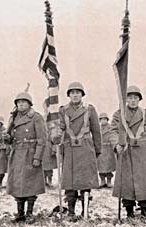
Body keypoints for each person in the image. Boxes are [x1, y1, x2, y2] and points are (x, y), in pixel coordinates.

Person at [111, 85, 146, 218]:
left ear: (139, 99)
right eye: (130, 97)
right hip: (126, 152)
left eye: (135, 98)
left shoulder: (145, 113)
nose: (132, 100)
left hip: (142, 153)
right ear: (125, 99)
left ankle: (145, 210)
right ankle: (129, 212)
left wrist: (145, 145)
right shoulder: (119, 114)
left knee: (145, 183)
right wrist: (117, 144)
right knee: (127, 185)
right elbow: (113, 131)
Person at [56, 82, 102, 221]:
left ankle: (85, 211)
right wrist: (56, 135)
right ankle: (70, 211)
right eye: (72, 93)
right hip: (69, 148)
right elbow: (60, 128)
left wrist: (97, 149)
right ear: (69, 95)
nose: (75, 95)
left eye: (78, 92)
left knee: (85, 181)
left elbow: (96, 130)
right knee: (69, 181)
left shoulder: (89, 109)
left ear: (82, 95)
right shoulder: (63, 110)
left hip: (86, 148)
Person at [5, 91, 46, 224]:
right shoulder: (13, 118)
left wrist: (37, 157)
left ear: (29, 104)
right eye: (18, 102)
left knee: (30, 185)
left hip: (30, 153)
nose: (21, 104)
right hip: (17, 154)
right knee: (17, 184)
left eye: (24, 102)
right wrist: (7, 138)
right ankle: (20, 213)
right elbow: (11, 139)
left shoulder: (36, 117)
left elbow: (41, 139)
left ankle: (29, 213)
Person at [97, 112, 116, 188]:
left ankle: (109, 181)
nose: (103, 121)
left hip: (108, 149)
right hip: (100, 148)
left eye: (105, 119)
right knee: (100, 167)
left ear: (107, 120)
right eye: (102, 119)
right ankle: (102, 180)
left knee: (109, 166)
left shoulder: (110, 128)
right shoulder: (98, 128)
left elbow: (113, 136)